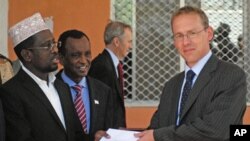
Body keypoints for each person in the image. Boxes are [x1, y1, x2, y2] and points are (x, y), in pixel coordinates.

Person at [135, 6, 246, 141]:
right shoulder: (171, 86)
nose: (186, 42)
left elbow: (216, 131)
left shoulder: (231, 76)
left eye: (192, 33)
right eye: (179, 35)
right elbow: (154, 130)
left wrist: (157, 136)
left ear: (209, 33)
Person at [0, 13, 84, 141]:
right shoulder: (11, 92)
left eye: (54, 43)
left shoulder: (63, 88)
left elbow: (76, 134)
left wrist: (96, 137)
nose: (55, 50)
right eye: (47, 45)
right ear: (27, 55)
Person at [57, 29, 114, 141]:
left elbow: (109, 132)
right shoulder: (50, 90)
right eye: (76, 55)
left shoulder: (103, 91)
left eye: (87, 54)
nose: (84, 61)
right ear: (61, 59)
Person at [88, 21, 132, 128]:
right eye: (129, 42)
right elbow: (99, 108)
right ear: (116, 41)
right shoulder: (101, 66)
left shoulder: (112, 64)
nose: (131, 46)